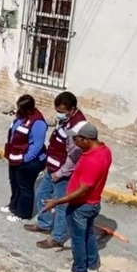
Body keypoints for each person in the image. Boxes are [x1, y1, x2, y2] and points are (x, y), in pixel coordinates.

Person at [44, 123, 112, 272]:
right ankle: (92, 267)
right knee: (88, 235)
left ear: (86, 139)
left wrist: (57, 201)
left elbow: (83, 189)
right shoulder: (104, 151)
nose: (74, 142)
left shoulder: (93, 161)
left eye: (76, 139)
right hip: (92, 204)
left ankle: (78, 271)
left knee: (78, 239)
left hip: (81, 205)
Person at [25, 91, 88, 248]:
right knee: (41, 194)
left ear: (72, 109)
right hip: (52, 168)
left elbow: (73, 157)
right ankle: (44, 224)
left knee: (60, 205)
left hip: (62, 173)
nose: (59, 114)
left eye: (61, 111)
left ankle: (57, 237)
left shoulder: (77, 128)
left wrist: (59, 173)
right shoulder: (67, 121)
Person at [2, 94, 47, 221]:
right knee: (14, 182)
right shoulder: (20, 118)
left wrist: (26, 159)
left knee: (25, 187)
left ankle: (23, 213)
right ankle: (14, 206)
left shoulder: (38, 122)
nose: (18, 111)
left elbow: (37, 145)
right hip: (15, 157)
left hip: (28, 160)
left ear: (29, 109)